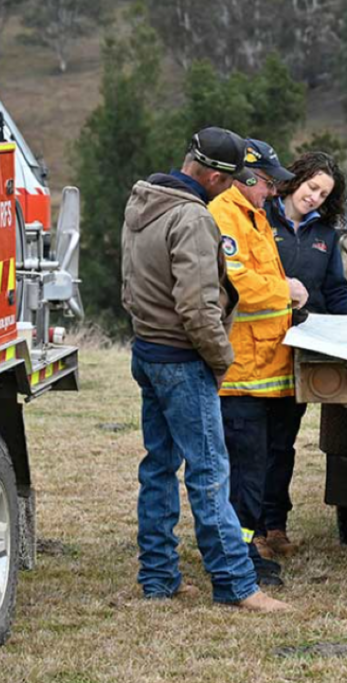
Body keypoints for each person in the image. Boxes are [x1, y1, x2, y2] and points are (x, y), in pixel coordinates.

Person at [121, 127, 288, 613]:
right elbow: (197, 307)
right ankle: (236, 583)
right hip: (182, 359)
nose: (234, 189)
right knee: (211, 473)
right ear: (214, 175)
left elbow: (131, 284)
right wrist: (220, 359)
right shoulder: (193, 218)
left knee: (158, 467)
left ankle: (158, 577)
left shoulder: (143, 201)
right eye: (230, 180)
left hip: (148, 350)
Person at [260, 151, 347, 559]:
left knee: (283, 444)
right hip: (256, 350)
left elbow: (336, 293)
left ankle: (275, 526)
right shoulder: (260, 220)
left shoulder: (325, 235)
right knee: (252, 443)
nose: (315, 197)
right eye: (311, 187)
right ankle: (249, 527)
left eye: (323, 194)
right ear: (295, 179)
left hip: (299, 354)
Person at [208, 138, 306, 587]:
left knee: (256, 467)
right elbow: (234, 279)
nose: (272, 190)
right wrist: (285, 292)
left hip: (265, 369)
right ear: (246, 177)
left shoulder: (254, 213)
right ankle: (239, 555)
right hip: (242, 375)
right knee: (243, 473)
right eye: (267, 182)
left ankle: (244, 549)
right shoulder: (225, 215)